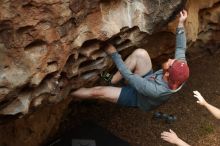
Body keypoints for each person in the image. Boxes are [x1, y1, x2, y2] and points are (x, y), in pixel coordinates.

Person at [72, 10, 189, 111]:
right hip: (147, 79)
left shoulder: (157, 91)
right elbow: (180, 47)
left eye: (170, 62)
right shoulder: (180, 70)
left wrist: (114, 54)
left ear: (168, 74)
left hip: (137, 97)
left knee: (97, 92)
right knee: (140, 54)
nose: (170, 59)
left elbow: (129, 76)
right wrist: (181, 22)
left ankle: (70, 93)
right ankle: (112, 79)